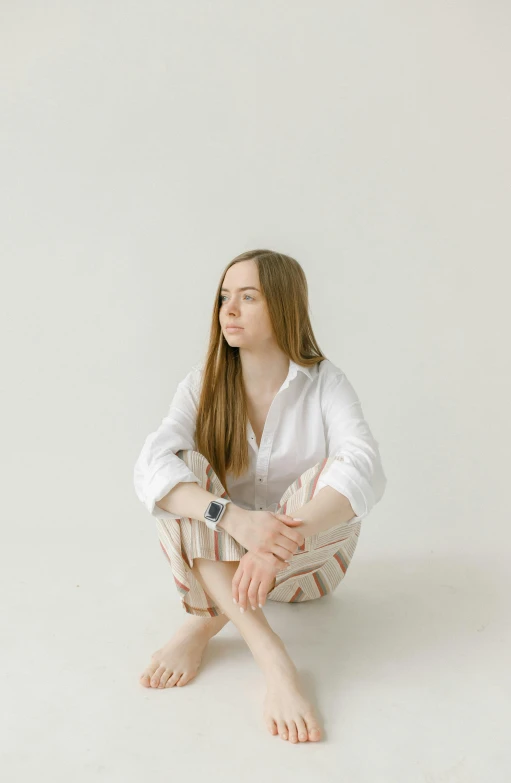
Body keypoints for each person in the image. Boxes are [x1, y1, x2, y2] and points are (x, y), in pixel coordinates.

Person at [133, 249, 387, 743]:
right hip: (225, 556)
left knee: (340, 470)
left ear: (284, 306)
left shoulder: (325, 383)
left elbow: (366, 468)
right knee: (180, 473)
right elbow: (150, 468)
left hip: (304, 573)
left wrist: (275, 542)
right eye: (225, 297)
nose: (228, 309)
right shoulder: (201, 385)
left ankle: (204, 621)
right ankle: (274, 659)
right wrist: (231, 518)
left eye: (247, 297)